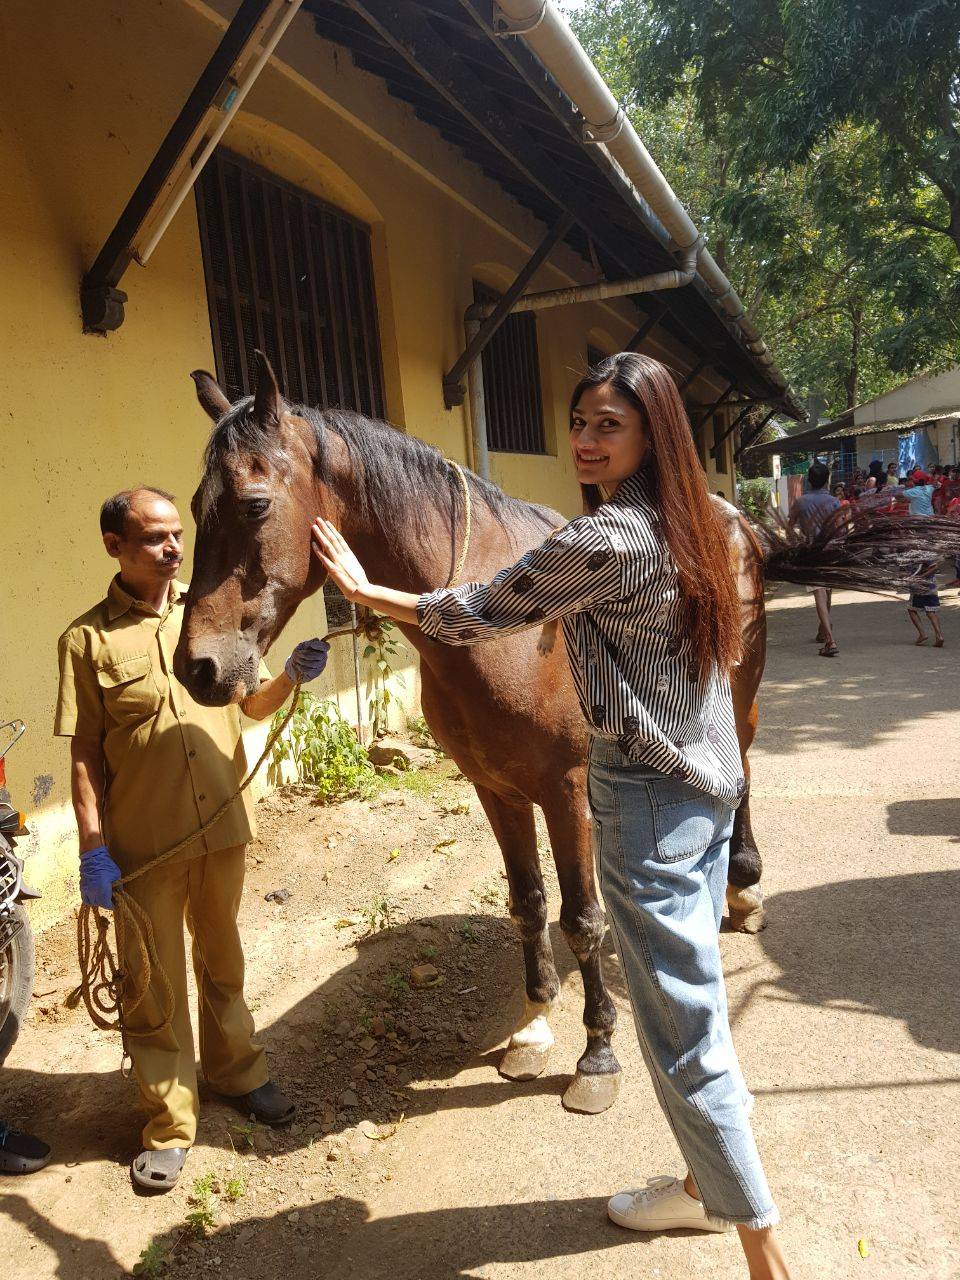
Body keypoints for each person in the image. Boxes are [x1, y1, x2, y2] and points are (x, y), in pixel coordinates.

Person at [313, 353, 793, 1280]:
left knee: (682, 1041)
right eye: (578, 421)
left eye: (607, 425)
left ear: (653, 432)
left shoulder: (606, 540)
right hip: (707, 781)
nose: (583, 439)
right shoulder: (701, 522)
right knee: (692, 1009)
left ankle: (763, 1252)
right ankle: (703, 1185)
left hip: (648, 804)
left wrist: (371, 593)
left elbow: (485, 608)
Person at [55, 487, 330, 1191]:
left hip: (223, 828)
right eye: (153, 537)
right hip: (145, 842)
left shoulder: (208, 617)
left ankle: (238, 1074)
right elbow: (85, 752)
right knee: (152, 987)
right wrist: (92, 845)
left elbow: (250, 703)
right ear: (114, 546)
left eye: (176, 534)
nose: (172, 547)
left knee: (223, 958)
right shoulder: (86, 639)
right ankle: (170, 1122)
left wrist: (291, 675)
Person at [788, 461, 841, 657]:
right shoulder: (834, 502)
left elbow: (789, 528)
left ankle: (830, 640)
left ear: (809, 480)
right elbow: (841, 528)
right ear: (827, 480)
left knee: (819, 594)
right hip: (831, 552)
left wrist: (794, 545)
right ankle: (823, 631)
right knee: (827, 592)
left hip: (812, 552)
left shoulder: (801, 502)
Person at [897, 472, 945, 645]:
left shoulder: (914, 491)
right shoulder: (928, 489)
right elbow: (937, 485)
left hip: (920, 582)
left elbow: (898, 496)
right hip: (930, 582)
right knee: (931, 611)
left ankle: (923, 634)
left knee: (912, 609)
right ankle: (938, 635)